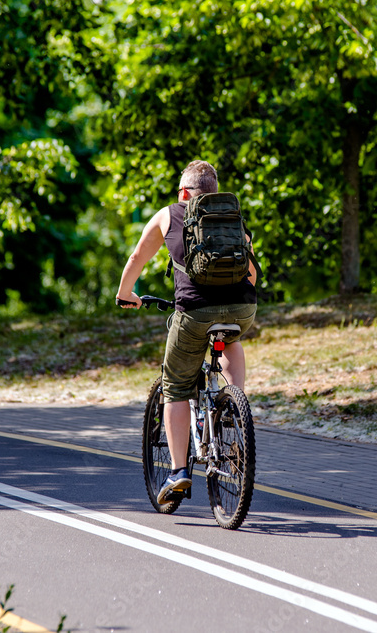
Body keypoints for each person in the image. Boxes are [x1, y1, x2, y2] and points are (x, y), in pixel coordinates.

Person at [116, 160, 258, 504]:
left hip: (194, 314)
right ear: (215, 192)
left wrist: (125, 294)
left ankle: (179, 471)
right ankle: (235, 411)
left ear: (184, 192)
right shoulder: (233, 219)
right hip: (242, 310)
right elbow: (252, 273)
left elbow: (138, 256)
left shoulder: (169, 214)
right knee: (231, 340)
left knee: (176, 386)